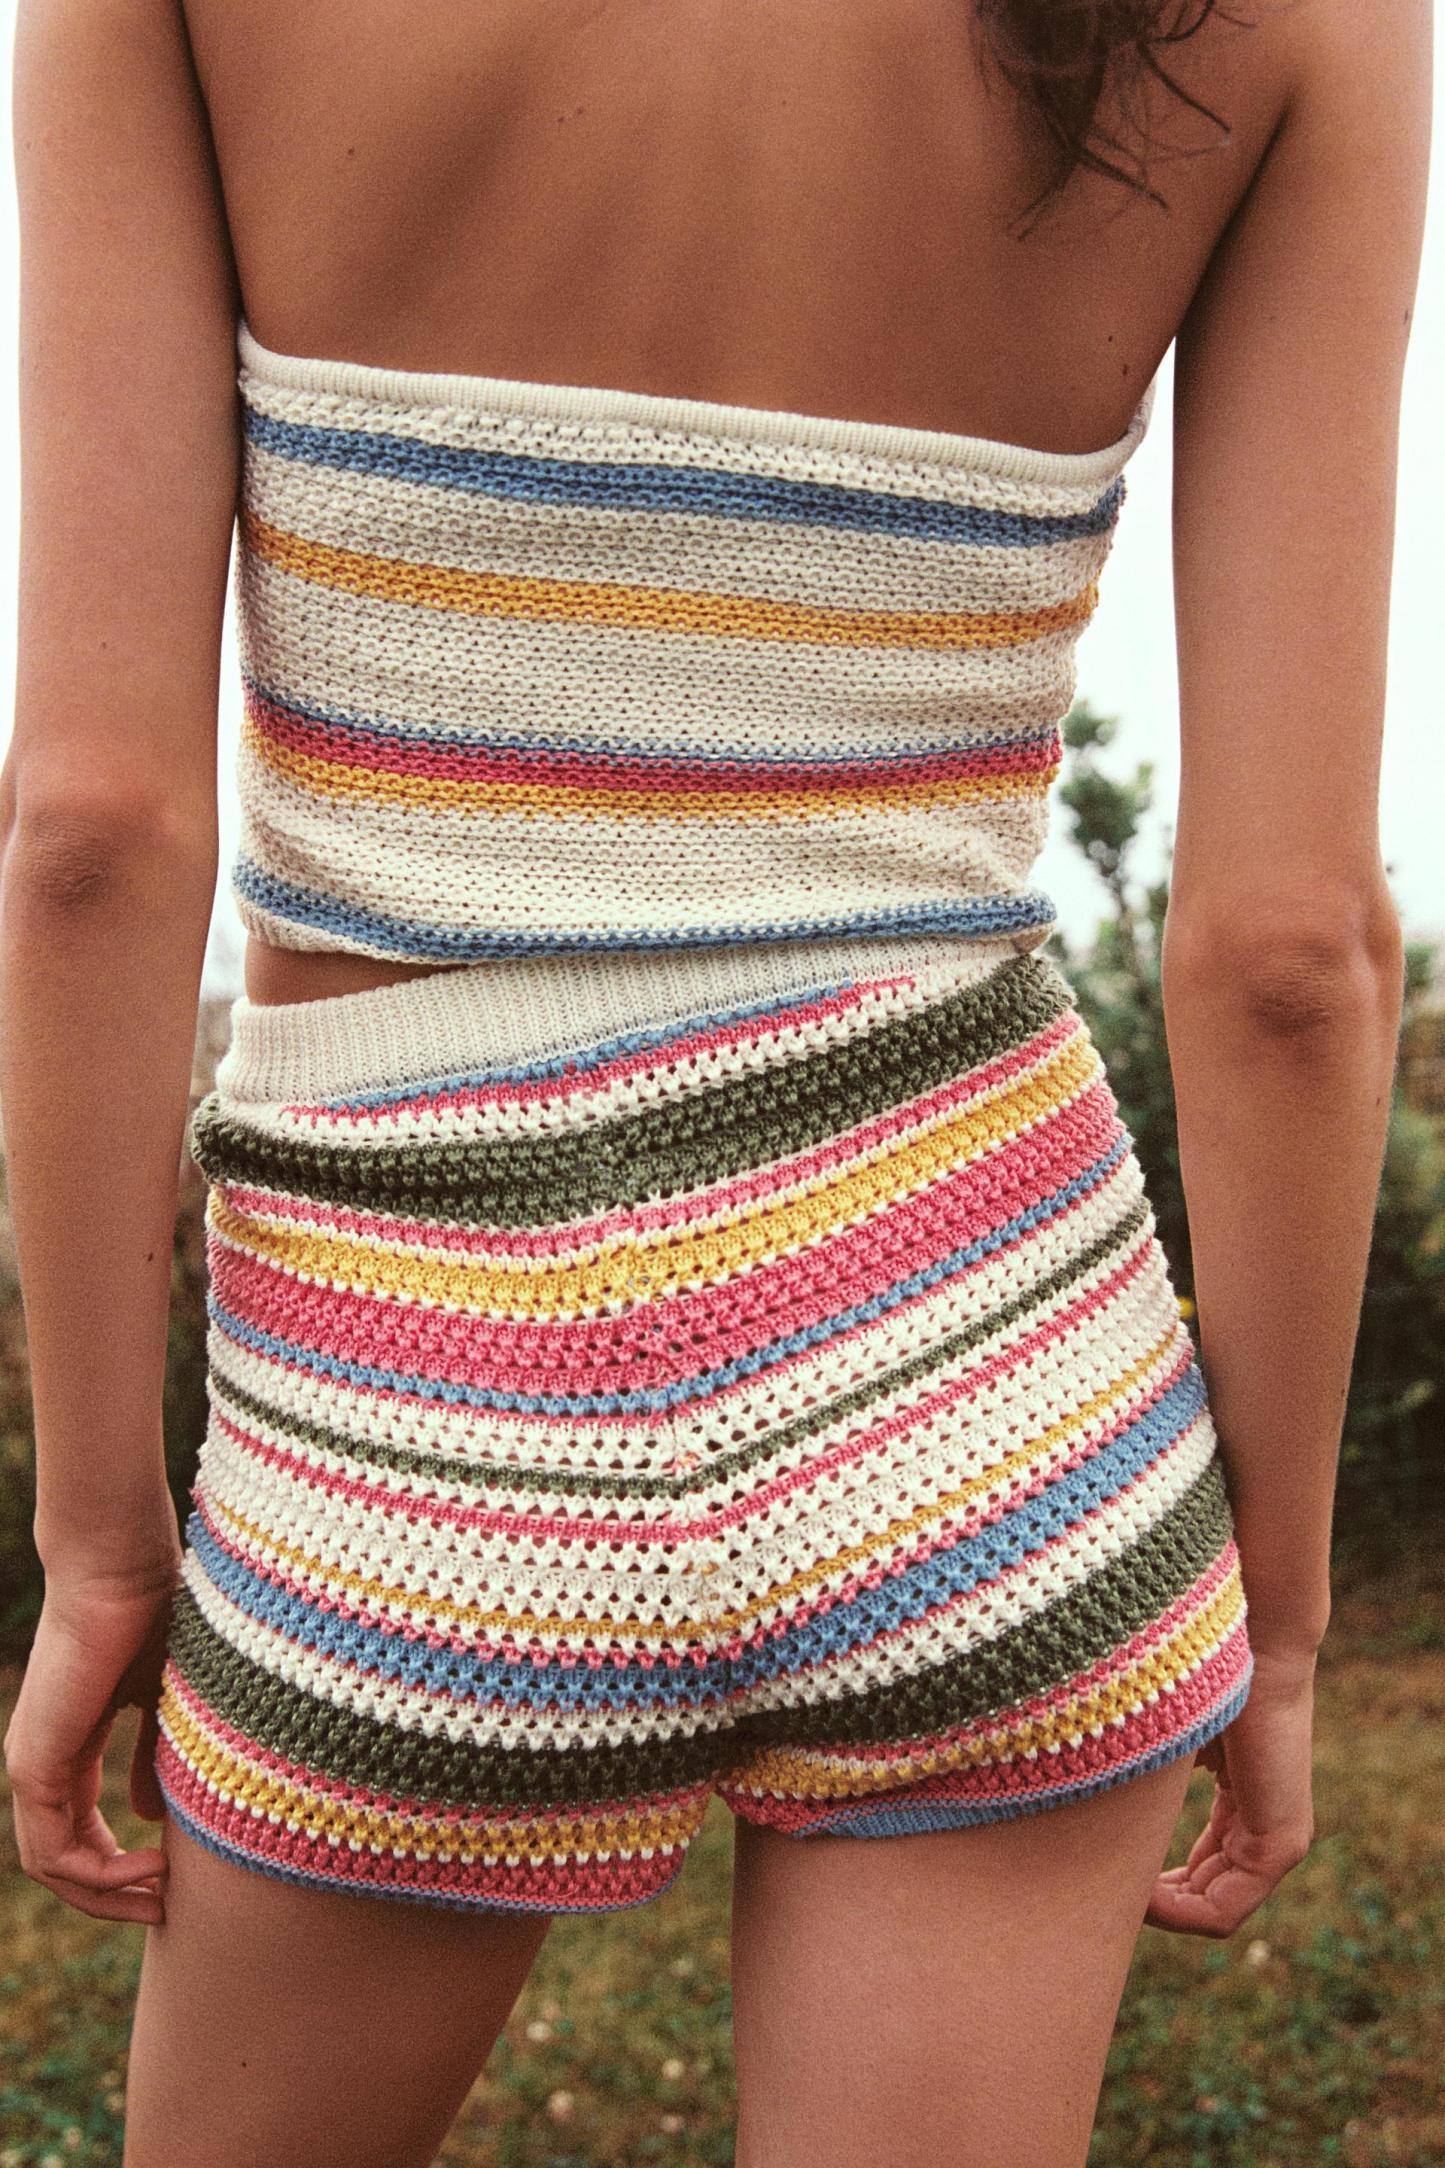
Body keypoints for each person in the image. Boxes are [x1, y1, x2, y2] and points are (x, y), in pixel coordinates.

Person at [0, 0, 1428, 2160]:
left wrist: (102, 1536)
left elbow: (93, 834)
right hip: (994, 1379)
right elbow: (1292, 952)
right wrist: (1283, 1616)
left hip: (414, 1404)